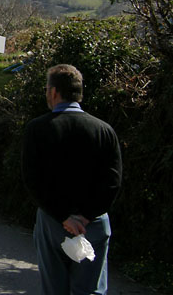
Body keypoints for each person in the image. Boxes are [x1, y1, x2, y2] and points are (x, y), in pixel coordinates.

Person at [22, 64, 122, 295]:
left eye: (47, 88)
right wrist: (86, 215)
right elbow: (112, 181)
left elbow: (33, 179)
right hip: (94, 224)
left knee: (55, 288)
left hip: (53, 222)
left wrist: (64, 216)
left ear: (54, 92)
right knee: (91, 289)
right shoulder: (104, 130)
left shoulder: (37, 129)